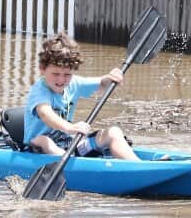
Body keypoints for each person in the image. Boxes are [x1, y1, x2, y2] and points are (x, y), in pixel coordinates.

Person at [23, 32, 139, 160]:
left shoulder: (74, 84)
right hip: (35, 150)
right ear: (42, 69)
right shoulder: (40, 90)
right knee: (43, 140)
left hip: (69, 147)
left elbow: (101, 83)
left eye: (67, 75)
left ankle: (139, 167)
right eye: (55, 73)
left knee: (113, 132)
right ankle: (73, 168)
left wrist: (111, 77)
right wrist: (70, 128)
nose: (61, 80)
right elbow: (45, 114)